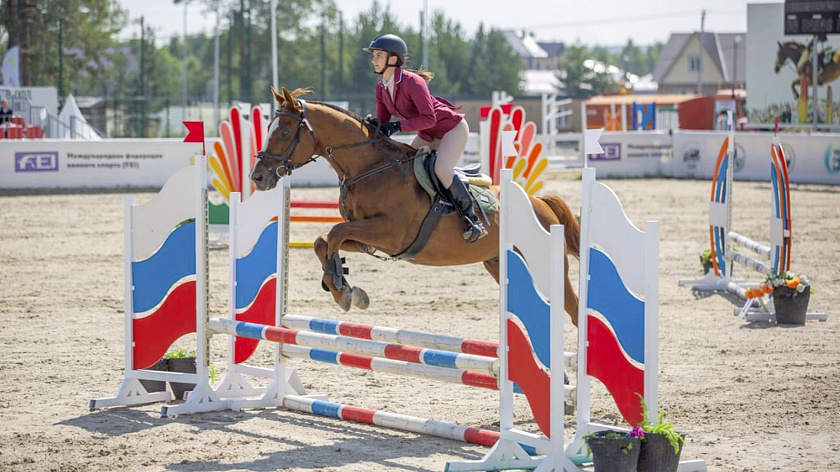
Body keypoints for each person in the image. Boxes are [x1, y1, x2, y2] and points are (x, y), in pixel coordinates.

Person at [363, 33, 487, 243]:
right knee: (406, 165)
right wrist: (374, 125)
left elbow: (428, 118)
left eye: (378, 55)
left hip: (451, 129)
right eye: (374, 55)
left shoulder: (413, 82)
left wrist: (398, 125)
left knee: (441, 169)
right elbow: (384, 122)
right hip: (428, 134)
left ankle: (472, 220)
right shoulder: (381, 87)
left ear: (393, 59)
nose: (373, 59)